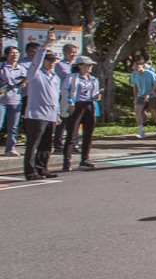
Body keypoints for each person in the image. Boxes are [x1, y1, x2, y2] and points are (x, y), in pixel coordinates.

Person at [23, 33, 63, 180]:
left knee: (46, 145)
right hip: (36, 115)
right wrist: (46, 43)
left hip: (50, 115)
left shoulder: (55, 77)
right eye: (48, 60)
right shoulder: (35, 74)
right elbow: (37, 60)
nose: (51, 62)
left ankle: (42, 168)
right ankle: (30, 171)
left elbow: (56, 97)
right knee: (33, 145)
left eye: (53, 60)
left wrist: (57, 114)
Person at [61, 55, 100, 170]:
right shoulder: (72, 77)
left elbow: (95, 93)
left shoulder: (93, 79)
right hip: (76, 105)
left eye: (90, 65)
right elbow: (64, 90)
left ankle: (85, 159)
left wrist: (97, 96)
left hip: (89, 105)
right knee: (72, 134)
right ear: (79, 66)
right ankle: (67, 161)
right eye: (87, 65)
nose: (90, 67)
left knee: (88, 134)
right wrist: (70, 102)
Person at [1, 45, 27, 156]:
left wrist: (24, 81)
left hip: (15, 100)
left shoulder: (22, 69)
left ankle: (10, 148)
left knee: (13, 126)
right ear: (6, 55)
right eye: (12, 53)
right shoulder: (2, 66)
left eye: (16, 53)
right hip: (1, 100)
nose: (15, 55)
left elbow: (24, 83)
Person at [129, 57, 156, 139]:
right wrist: (135, 97)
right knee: (137, 110)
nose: (136, 67)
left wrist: (149, 94)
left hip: (152, 95)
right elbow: (135, 86)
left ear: (143, 65)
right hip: (140, 95)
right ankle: (141, 131)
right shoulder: (133, 74)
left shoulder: (150, 74)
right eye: (134, 65)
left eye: (138, 65)